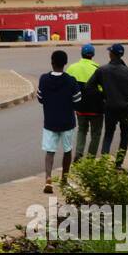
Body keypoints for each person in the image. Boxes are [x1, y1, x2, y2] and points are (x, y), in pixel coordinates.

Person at [88, 44, 128, 168]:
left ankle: (103, 162)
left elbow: (89, 87)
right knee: (125, 136)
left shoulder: (102, 70)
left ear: (111, 54)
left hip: (109, 107)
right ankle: (118, 164)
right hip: (126, 108)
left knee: (108, 134)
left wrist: (102, 94)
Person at [37, 50, 81, 193]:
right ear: (65, 63)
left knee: (50, 151)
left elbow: (40, 98)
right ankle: (64, 179)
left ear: (52, 62)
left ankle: (48, 179)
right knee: (67, 150)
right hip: (67, 121)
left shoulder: (43, 79)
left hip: (50, 121)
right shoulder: (71, 80)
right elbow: (77, 100)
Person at [66, 44, 104, 161]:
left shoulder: (72, 68)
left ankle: (78, 153)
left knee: (82, 130)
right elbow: (103, 89)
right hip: (96, 107)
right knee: (96, 133)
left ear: (81, 53)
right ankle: (91, 157)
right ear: (92, 55)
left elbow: (68, 87)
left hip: (80, 106)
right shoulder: (98, 68)